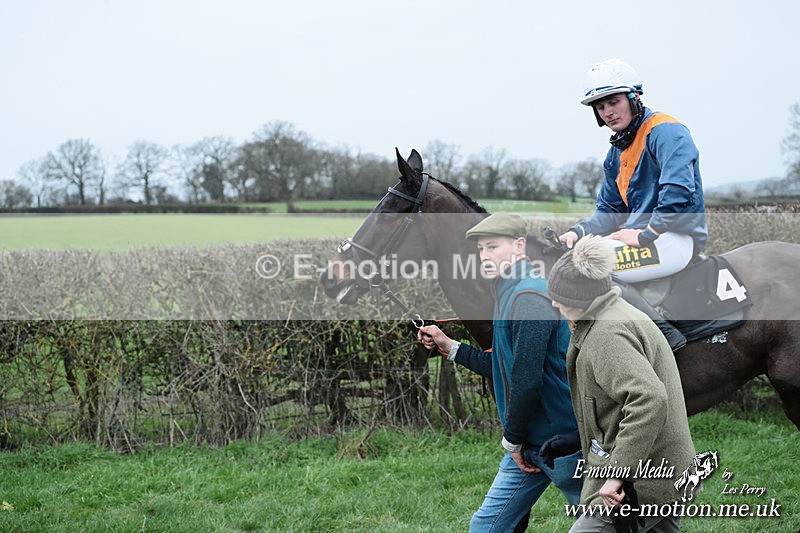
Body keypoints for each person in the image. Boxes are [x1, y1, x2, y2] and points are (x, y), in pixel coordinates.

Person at [418, 212, 583, 532]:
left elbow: (526, 380)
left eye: (492, 247)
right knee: (486, 526)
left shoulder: (528, 296)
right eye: (481, 250)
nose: (484, 256)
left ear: (519, 246)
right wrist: (449, 346)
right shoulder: (508, 292)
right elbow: (505, 366)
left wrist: (513, 441)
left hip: (562, 445)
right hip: (528, 442)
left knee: (603, 524)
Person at [547, 235, 696, 533]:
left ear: (581, 301)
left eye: (560, 298)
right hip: (664, 466)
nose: (553, 302)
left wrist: (617, 474)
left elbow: (649, 399)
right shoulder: (614, 312)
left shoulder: (607, 334)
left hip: (641, 478)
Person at [558, 58, 708, 351]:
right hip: (644, 240)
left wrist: (644, 235)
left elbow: (677, 192)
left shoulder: (667, 131)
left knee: (590, 266)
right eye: (600, 107)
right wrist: (577, 231)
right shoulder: (616, 153)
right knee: (571, 259)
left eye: (613, 102)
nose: (608, 112)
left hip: (673, 239)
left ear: (634, 97)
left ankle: (664, 336)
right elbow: (611, 211)